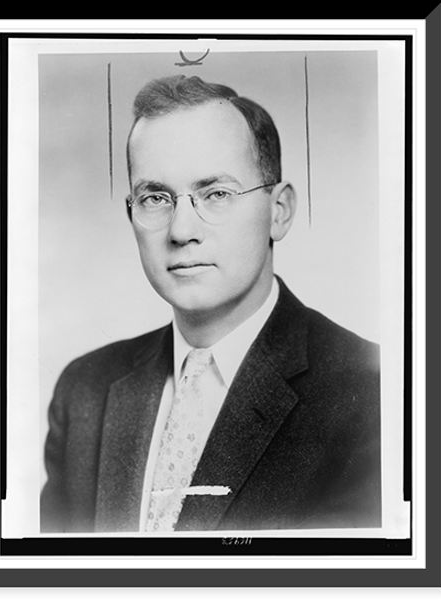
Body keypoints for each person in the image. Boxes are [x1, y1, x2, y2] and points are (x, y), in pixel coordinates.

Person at [40, 74, 381, 533]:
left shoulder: (373, 394)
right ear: (131, 213)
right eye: (155, 197)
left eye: (216, 194)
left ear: (278, 211)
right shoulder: (85, 390)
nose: (181, 230)